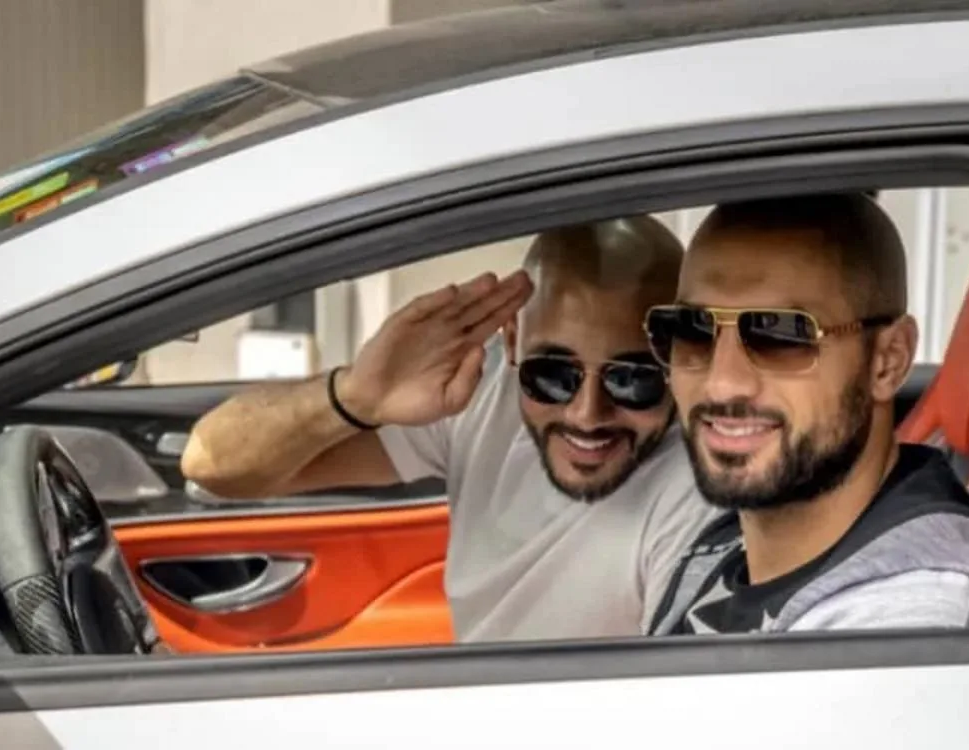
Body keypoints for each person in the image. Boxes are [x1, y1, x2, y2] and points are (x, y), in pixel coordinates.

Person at [181, 217, 719, 642]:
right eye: (552, 374)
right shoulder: (479, 390)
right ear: (512, 341)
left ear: (681, 362)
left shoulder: (699, 490)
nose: (586, 414)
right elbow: (213, 466)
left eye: (632, 379)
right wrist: (355, 395)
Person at [643, 193, 969, 635]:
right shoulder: (728, 540)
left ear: (888, 361)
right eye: (691, 331)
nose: (722, 383)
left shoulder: (906, 618)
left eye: (781, 335)